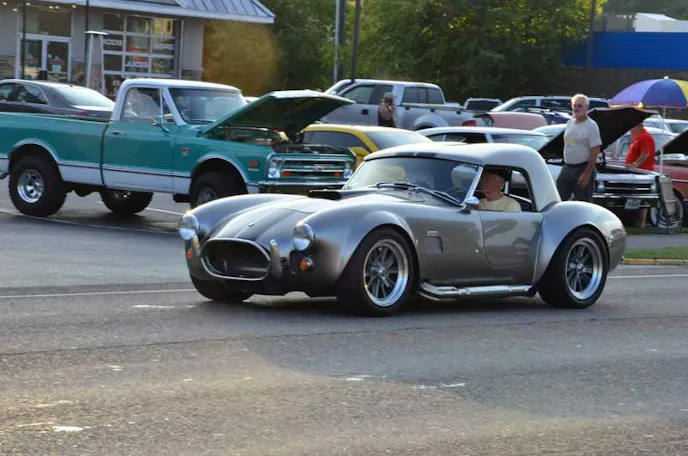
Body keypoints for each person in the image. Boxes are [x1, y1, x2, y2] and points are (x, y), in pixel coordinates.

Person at [556, 93, 602, 202]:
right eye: (574, 105)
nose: (576, 108)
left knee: (582, 202)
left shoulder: (591, 126)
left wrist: (587, 174)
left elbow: (595, 151)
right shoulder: (569, 123)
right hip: (567, 167)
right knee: (558, 199)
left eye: (580, 106)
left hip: (583, 168)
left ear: (586, 108)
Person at [625, 123, 656, 227]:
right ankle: (637, 220)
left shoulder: (645, 137)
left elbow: (645, 154)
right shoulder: (637, 138)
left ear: (639, 126)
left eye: (632, 127)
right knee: (636, 196)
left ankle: (642, 222)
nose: (630, 130)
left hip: (643, 172)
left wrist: (635, 165)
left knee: (643, 196)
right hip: (635, 172)